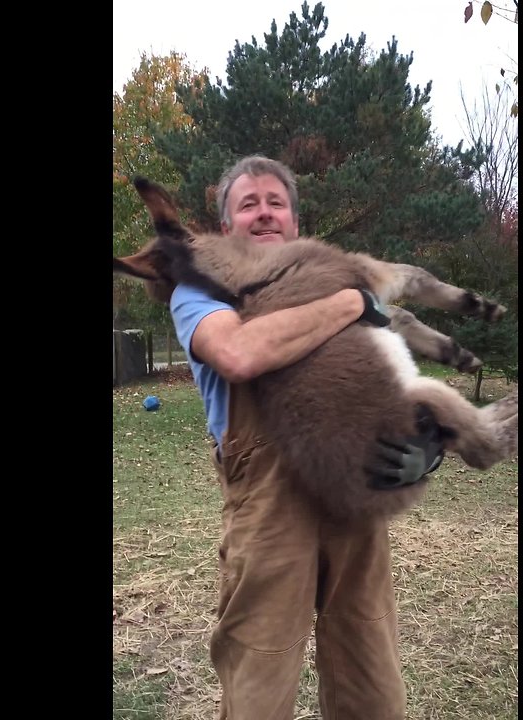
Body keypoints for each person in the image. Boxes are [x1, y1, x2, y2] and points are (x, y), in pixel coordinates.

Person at [170, 155, 442, 719]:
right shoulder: (199, 293)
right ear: (227, 227)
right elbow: (240, 353)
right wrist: (351, 303)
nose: (264, 214)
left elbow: (394, 382)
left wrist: (427, 446)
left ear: (294, 222)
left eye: (276, 203)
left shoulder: (333, 278)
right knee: (259, 681)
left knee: (370, 673)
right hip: (269, 510)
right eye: (249, 204)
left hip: (355, 493)